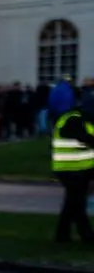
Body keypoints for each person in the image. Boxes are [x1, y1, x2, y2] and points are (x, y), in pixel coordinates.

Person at [50, 93, 94, 244]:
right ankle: (84, 236)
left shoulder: (85, 119)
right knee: (75, 203)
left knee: (74, 203)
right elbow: (81, 136)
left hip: (81, 168)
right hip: (68, 168)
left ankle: (65, 236)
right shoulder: (72, 118)